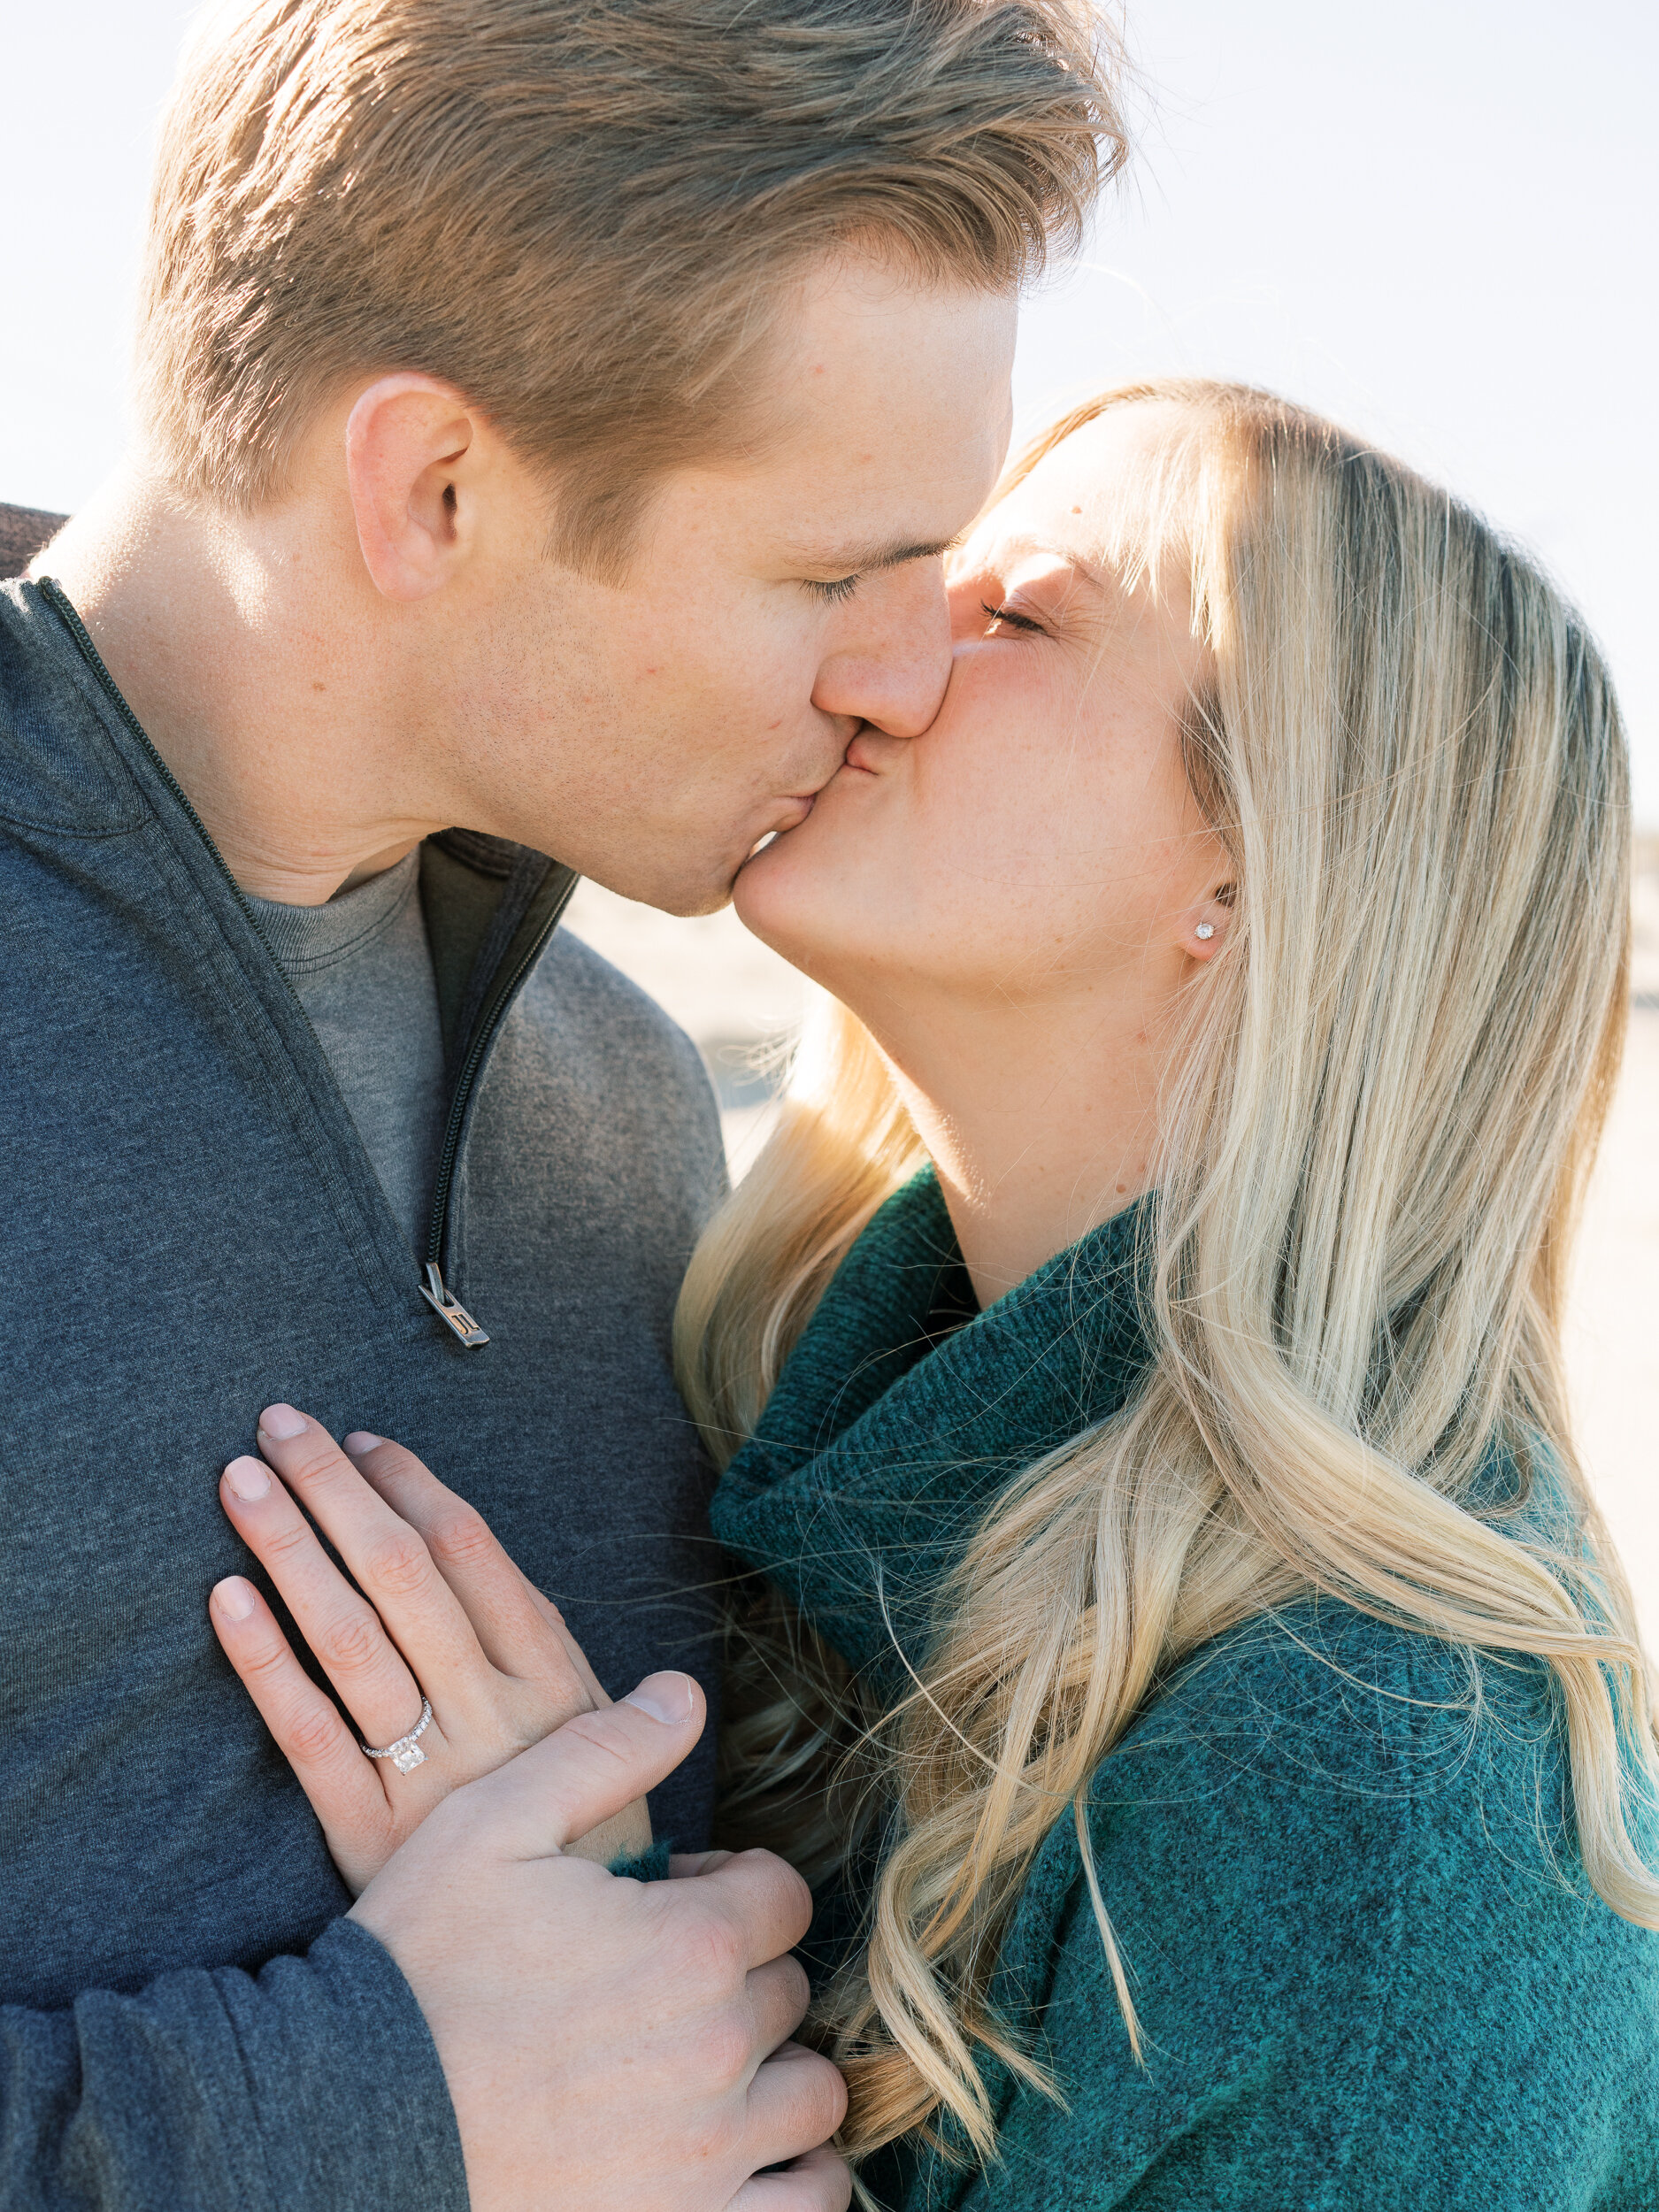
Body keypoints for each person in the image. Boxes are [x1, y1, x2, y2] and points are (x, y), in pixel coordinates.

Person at [241, 380, 1659, 2206]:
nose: (868, 658)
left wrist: (614, 2038)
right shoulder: (824, 1455)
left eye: (1014, 616)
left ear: (1250, 863)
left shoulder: (1378, 1777)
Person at [0, 2, 1125, 2207]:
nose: (908, 670)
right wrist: (372, 2112)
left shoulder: (619, 1098)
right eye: (824, 575)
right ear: (431, 487)